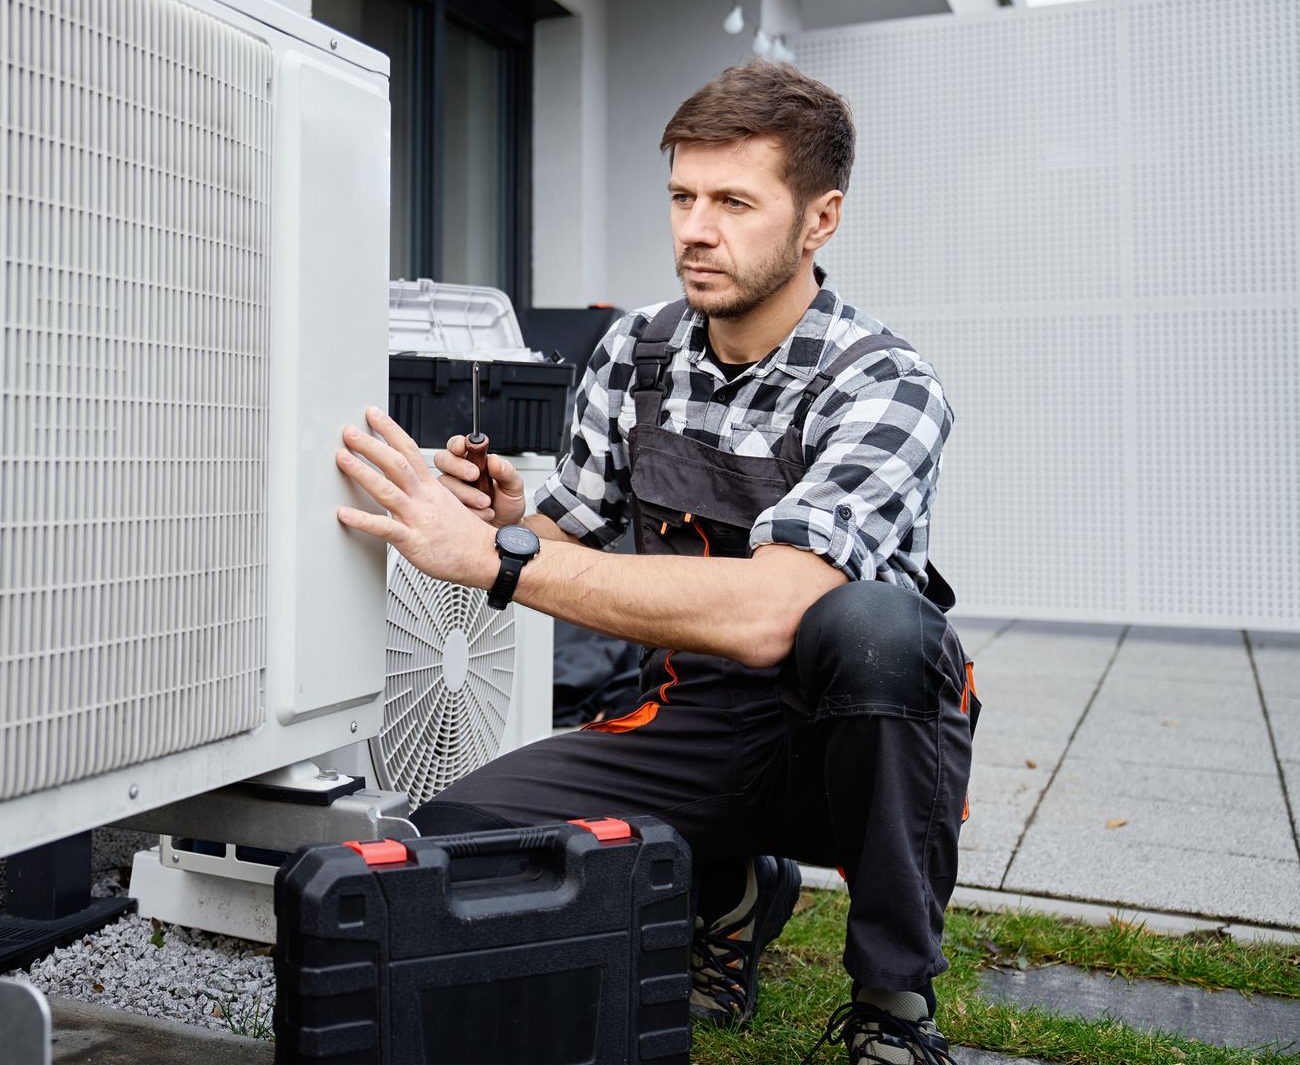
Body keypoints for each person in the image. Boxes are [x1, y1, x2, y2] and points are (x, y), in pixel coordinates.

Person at [333, 61, 976, 1065]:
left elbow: (777, 612)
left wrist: (498, 563)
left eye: (734, 201)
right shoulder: (635, 351)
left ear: (821, 219)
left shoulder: (886, 384)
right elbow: (571, 535)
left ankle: (894, 1001)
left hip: (851, 742)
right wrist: (513, 520)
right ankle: (730, 890)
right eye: (683, 196)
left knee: (876, 627)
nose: (695, 228)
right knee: (453, 838)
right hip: (695, 720)